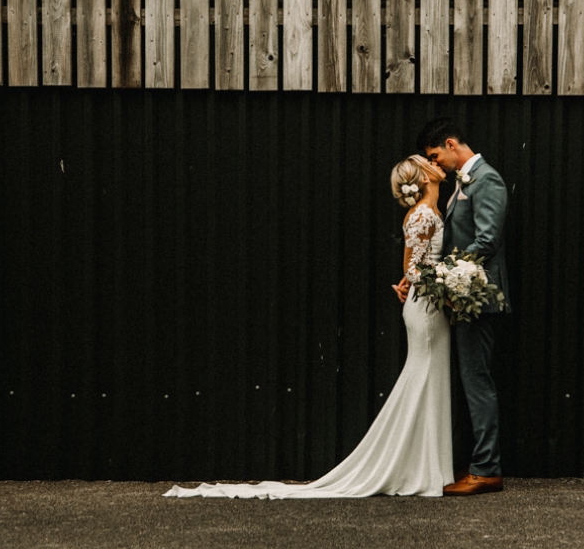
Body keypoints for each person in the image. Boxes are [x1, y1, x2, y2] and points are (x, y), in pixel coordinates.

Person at [165, 155, 452, 499]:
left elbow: (408, 267)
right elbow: (418, 270)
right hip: (426, 309)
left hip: (427, 305)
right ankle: (417, 467)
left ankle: (425, 465)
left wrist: (419, 280)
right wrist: (452, 282)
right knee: (423, 377)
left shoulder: (429, 211)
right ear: (423, 176)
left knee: (429, 378)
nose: (437, 163)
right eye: (429, 162)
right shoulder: (422, 214)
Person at [395, 118, 510, 496]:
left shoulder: (486, 180)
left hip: (477, 299)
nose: (436, 164)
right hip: (460, 297)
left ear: (449, 144)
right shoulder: (460, 184)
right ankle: (475, 462)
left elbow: (487, 240)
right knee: (469, 381)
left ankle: (486, 469)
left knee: (477, 382)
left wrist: (443, 274)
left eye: (435, 156)